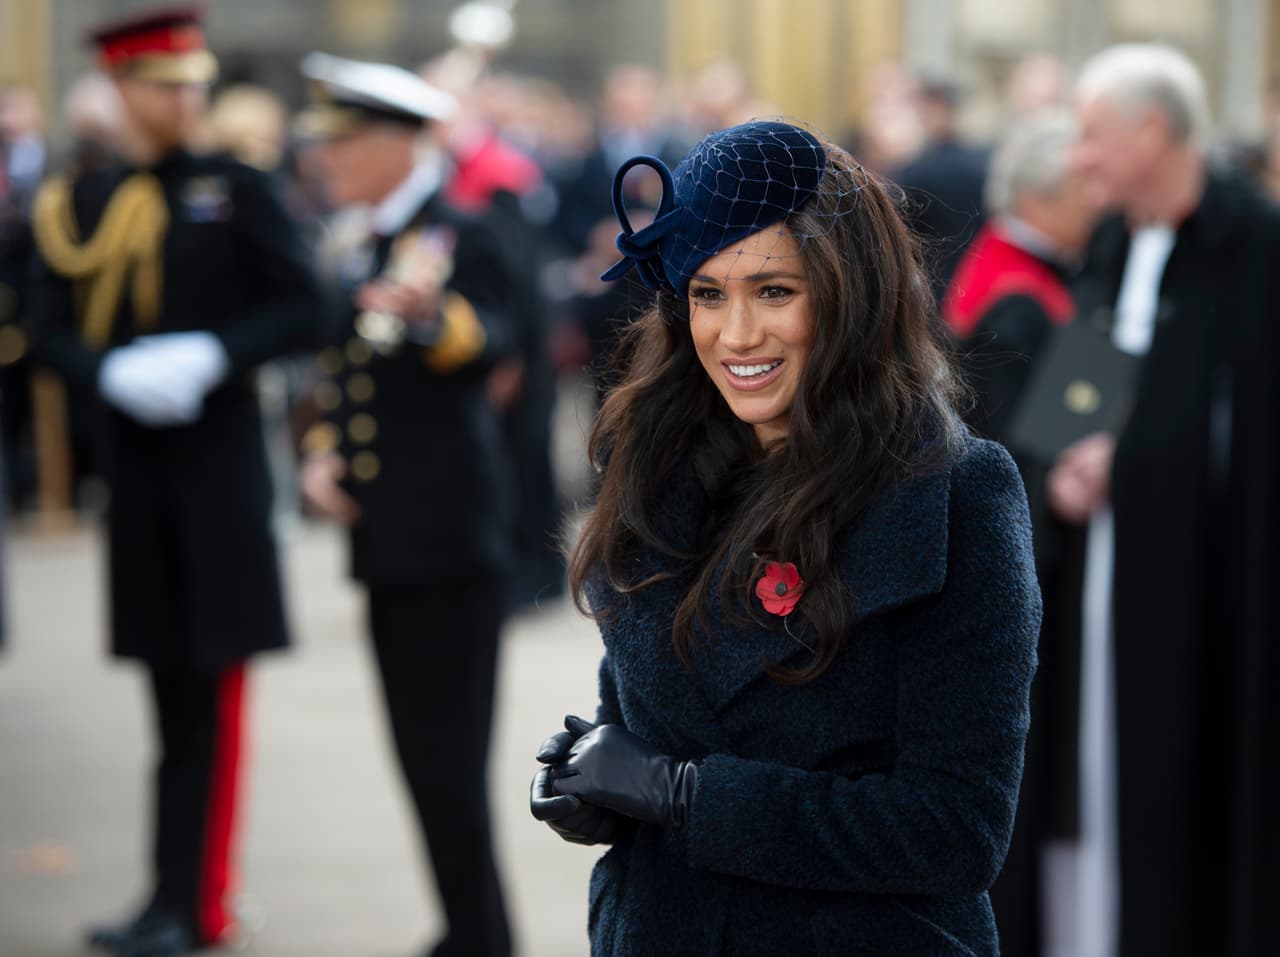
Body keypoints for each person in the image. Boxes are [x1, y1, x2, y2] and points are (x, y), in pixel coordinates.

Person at [529, 120, 1041, 956]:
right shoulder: (652, 466)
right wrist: (596, 780)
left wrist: (690, 795)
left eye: (774, 291)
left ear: (850, 294)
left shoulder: (956, 493)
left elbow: (958, 828)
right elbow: (643, 717)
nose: (736, 335)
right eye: (706, 293)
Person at [26, 8, 325, 955]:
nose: (184, 97)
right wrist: (103, 371)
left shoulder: (236, 188)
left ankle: (201, 903)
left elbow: (307, 305)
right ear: (122, 91)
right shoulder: (84, 201)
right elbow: (44, 325)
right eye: (164, 83)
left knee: (212, 697)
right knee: (165, 697)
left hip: (221, 480)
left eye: (193, 82)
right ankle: (164, 895)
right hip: (141, 480)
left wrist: (215, 352)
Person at [1051, 44, 1280, 957]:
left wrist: (1128, 463)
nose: (1080, 159)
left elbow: (1248, 435)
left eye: (1093, 136)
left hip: (1205, 588)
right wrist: (1062, 457)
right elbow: (1078, 390)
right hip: (1097, 569)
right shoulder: (1110, 240)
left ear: (1153, 131)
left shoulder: (1253, 245)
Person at [295, 53, 515, 957]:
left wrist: (433, 319)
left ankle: (483, 938)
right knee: (420, 759)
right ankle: (464, 929)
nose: (327, 159)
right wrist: (320, 453)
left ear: (394, 143)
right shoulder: (359, 238)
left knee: (449, 760)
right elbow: (338, 368)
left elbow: (503, 340)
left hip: (451, 537)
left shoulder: (463, 229)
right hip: (387, 536)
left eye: (343, 142)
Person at [944, 110, 1097, 957]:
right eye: (1085, 187)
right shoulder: (1017, 298)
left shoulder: (1017, 271)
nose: (1098, 202)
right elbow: (1021, 464)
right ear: (1043, 194)